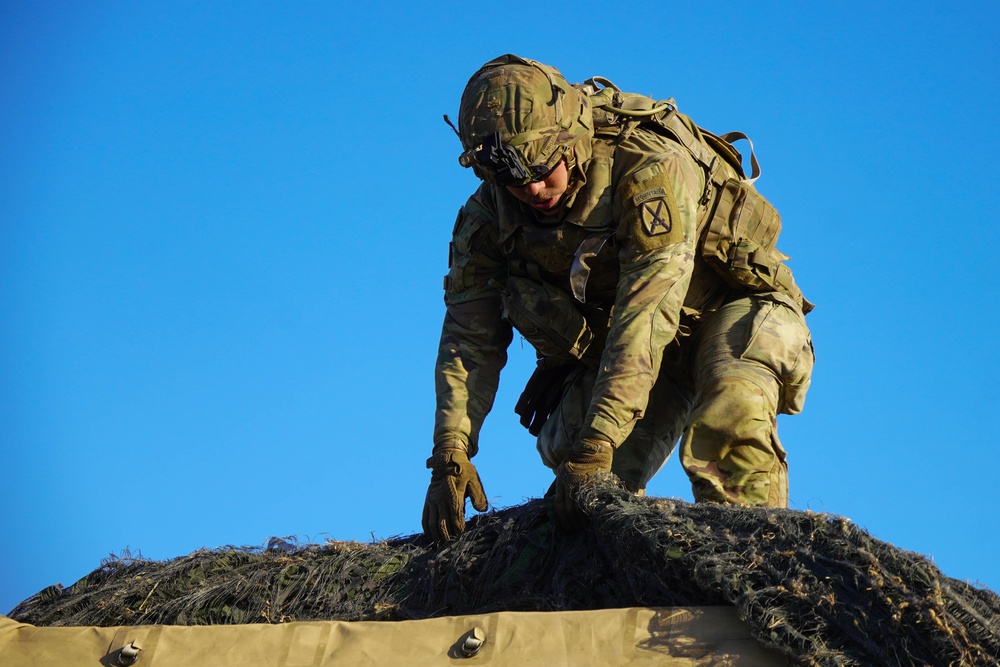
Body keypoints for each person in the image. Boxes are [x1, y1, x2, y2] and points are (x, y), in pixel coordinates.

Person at [422, 54, 815, 542]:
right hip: (641, 352)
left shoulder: (648, 168)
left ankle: (756, 567)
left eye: (543, 169)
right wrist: (449, 452)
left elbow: (647, 311)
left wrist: (600, 439)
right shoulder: (487, 222)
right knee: (578, 481)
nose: (533, 189)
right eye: (511, 180)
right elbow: (468, 338)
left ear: (571, 138)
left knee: (728, 415)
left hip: (732, 311)